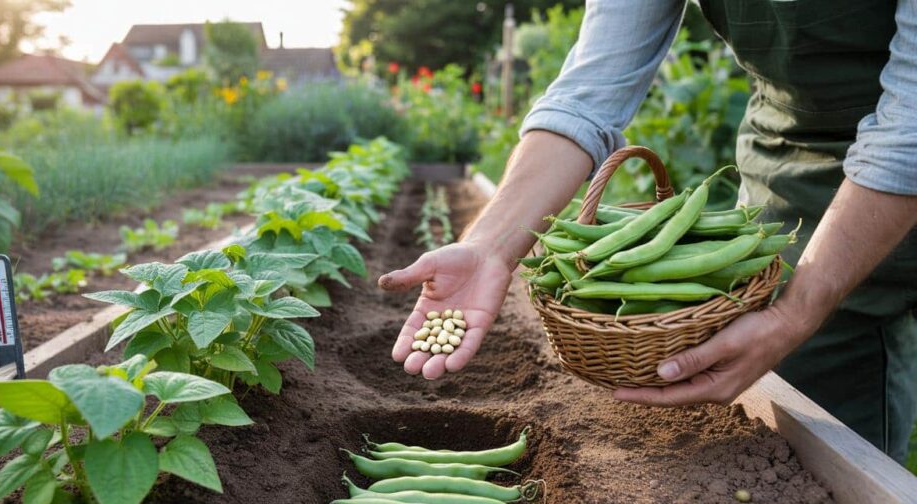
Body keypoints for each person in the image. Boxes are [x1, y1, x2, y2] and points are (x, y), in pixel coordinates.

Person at [378, 0, 917, 463]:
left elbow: (908, 128)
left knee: (828, 422)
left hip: (890, 186)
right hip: (782, 155)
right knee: (782, 397)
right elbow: (590, 91)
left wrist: (797, 310)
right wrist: (488, 246)